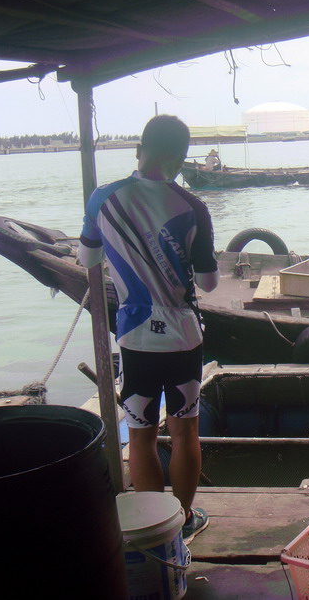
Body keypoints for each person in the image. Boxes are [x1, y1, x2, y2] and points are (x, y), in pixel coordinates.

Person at [78, 115, 219, 544]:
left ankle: (155, 528)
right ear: (180, 158)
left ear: (139, 150)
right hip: (182, 337)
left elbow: (88, 259)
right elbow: (209, 283)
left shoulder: (103, 198)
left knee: (140, 437)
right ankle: (184, 518)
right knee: (184, 432)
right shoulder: (192, 206)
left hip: (135, 336)